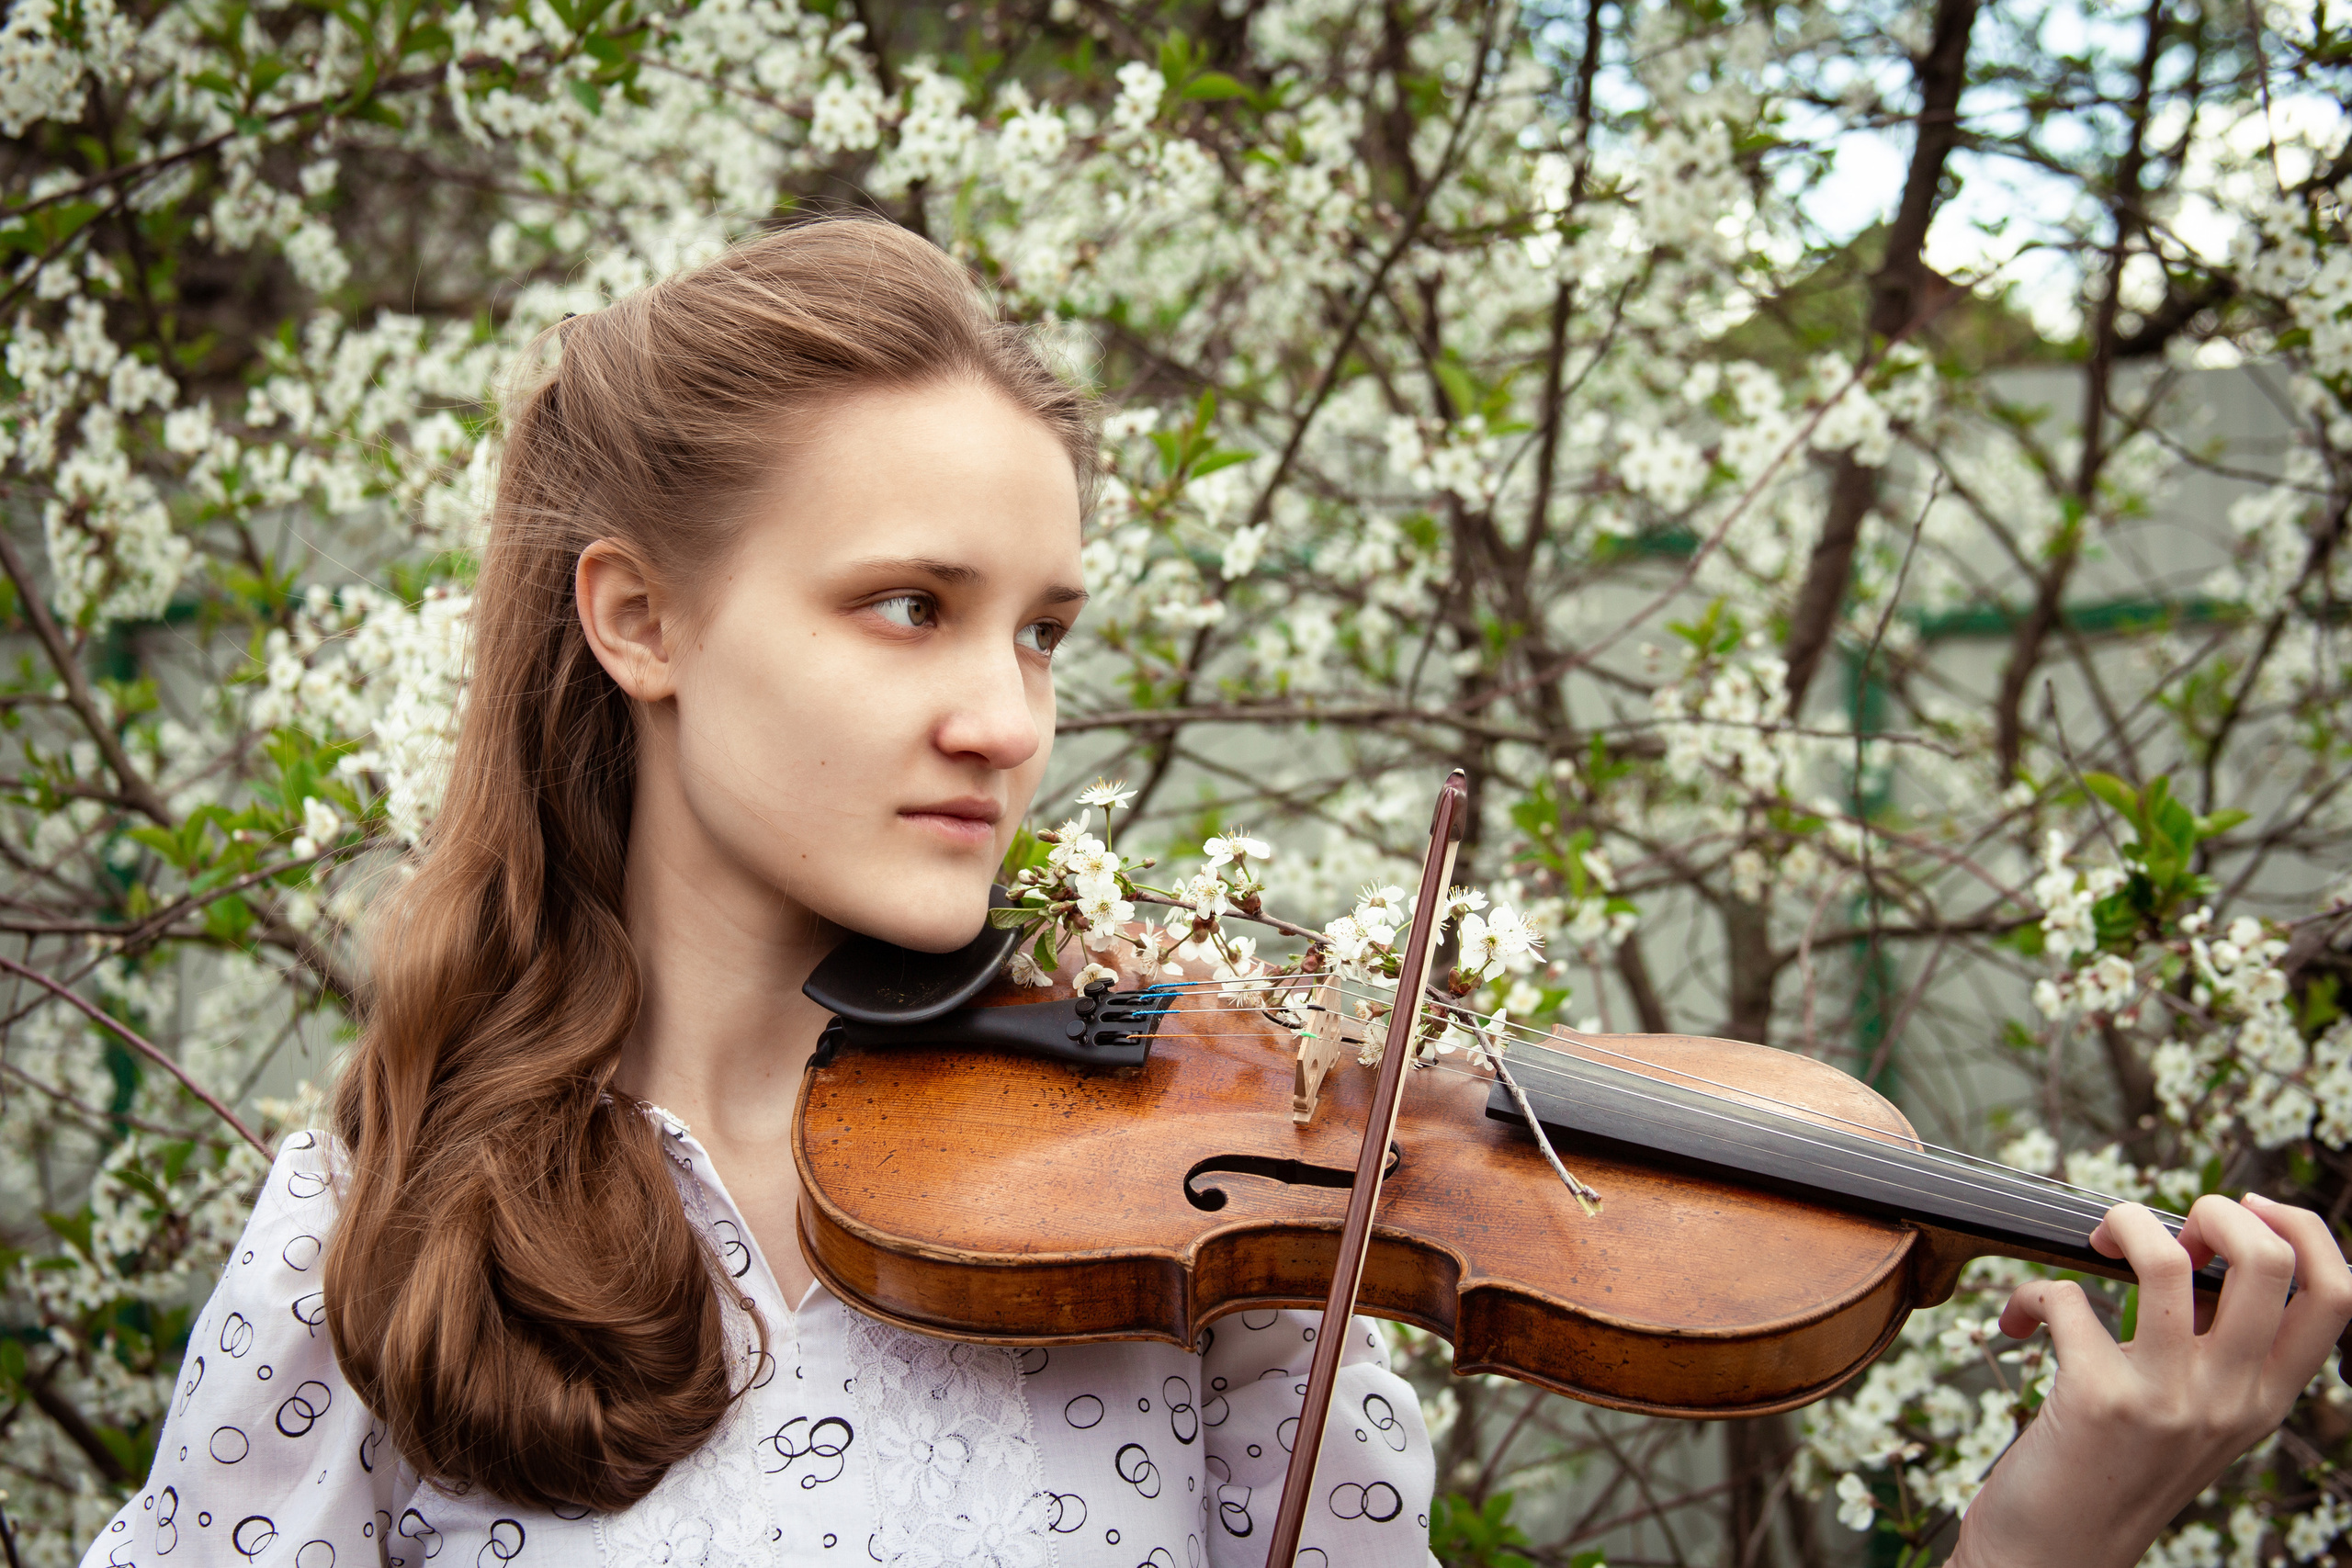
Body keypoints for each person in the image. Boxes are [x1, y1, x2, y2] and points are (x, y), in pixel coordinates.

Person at [80, 217, 2352, 1568]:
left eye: (1041, 627)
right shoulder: (382, 1221)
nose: (1003, 712)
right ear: (637, 619)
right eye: (906, 605)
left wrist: (2050, 1523)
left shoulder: (1192, 1251)